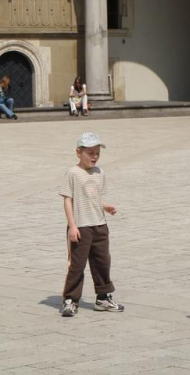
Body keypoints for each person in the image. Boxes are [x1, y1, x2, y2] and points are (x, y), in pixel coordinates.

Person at [58, 132, 123, 317]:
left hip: (99, 225)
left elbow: (95, 197)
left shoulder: (99, 173)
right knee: (77, 265)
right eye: (90, 153)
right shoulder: (72, 173)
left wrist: (105, 207)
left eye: (97, 153)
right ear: (79, 152)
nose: (94, 156)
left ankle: (103, 297)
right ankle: (71, 299)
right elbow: (68, 200)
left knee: (102, 262)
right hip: (81, 226)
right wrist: (72, 226)